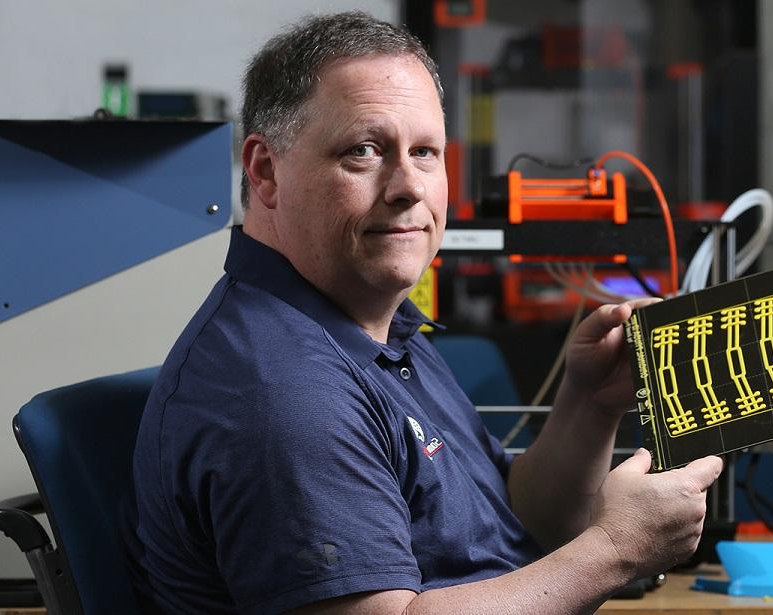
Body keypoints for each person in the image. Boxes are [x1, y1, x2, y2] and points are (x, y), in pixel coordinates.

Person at [125, 11, 723, 615]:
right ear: (265, 170)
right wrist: (616, 549)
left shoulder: (373, 328)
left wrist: (589, 404)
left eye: (426, 152)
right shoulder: (284, 387)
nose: (408, 186)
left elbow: (519, 520)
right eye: (364, 151)